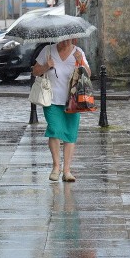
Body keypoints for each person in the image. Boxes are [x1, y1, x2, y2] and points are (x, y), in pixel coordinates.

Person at [31, 38, 90, 183]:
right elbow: (35, 71)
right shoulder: (48, 51)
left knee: (70, 133)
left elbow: (88, 73)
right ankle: (56, 167)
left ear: (73, 39)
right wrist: (46, 66)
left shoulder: (78, 52)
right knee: (54, 130)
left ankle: (67, 170)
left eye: (69, 40)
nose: (65, 43)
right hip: (51, 99)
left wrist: (80, 61)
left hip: (73, 99)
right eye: (63, 40)